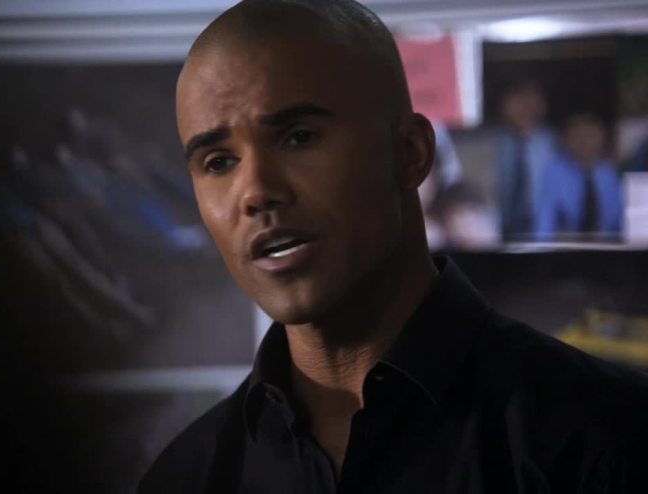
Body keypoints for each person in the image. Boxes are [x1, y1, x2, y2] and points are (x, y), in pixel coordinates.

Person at [140, 1, 648, 492]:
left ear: (410, 152)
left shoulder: (603, 436)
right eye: (218, 162)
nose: (255, 192)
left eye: (298, 137)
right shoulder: (187, 476)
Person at [535, 114, 623, 241]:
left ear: (602, 137)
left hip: (607, 247)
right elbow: (545, 223)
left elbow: (621, 223)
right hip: (567, 247)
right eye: (576, 136)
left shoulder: (611, 174)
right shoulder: (553, 172)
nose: (583, 142)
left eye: (590, 136)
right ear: (565, 140)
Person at [495, 78, 559, 241]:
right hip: (495, 233)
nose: (526, 107)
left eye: (533, 99)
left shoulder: (554, 143)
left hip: (540, 235)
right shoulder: (490, 141)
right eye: (520, 99)